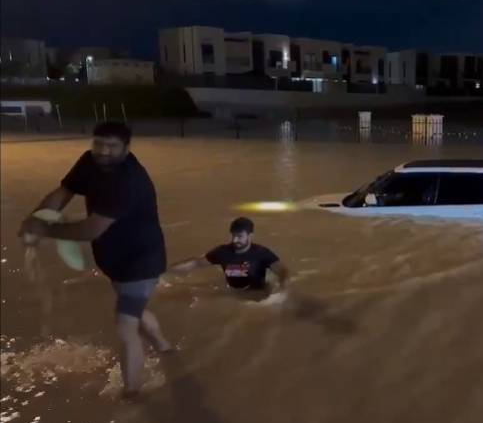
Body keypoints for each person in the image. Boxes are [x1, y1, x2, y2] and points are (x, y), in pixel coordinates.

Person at [18, 121, 171, 399]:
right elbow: (63, 193)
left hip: (141, 260)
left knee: (126, 326)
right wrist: (35, 219)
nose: (102, 151)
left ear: (126, 149)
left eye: (111, 146)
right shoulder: (89, 161)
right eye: (98, 144)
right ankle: (165, 347)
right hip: (113, 258)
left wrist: (46, 230)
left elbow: (91, 229)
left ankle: (132, 392)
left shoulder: (128, 181)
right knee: (133, 309)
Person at [168, 217, 290, 301]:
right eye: (233, 235)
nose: (235, 240)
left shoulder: (262, 253)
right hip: (233, 292)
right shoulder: (223, 252)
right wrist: (164, 269)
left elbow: (282, 271)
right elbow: (196, 263)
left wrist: (282, 291)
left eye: (240, 236)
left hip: (258, 296)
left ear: (250, 236)